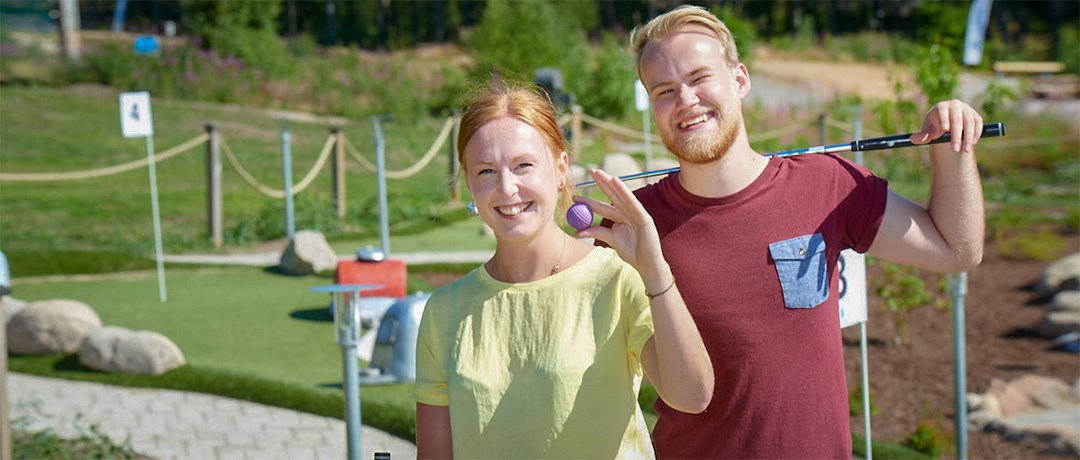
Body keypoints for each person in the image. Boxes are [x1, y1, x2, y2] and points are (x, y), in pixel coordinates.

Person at [624, 5, 986, 459]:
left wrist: (954, 145)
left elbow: (957, 249)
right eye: (664, 90)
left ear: (739, 80)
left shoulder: (825, 184)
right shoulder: (635, 225)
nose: (685, 99)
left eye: (700, 78)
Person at [413, 81, 713, 459]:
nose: (507, 188)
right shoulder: (443, 312)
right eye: (486, 171)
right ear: (469, 184)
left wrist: (654, 270)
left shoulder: (616, 279)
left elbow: (692, 396)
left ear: (560, 170)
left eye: (523, 165)